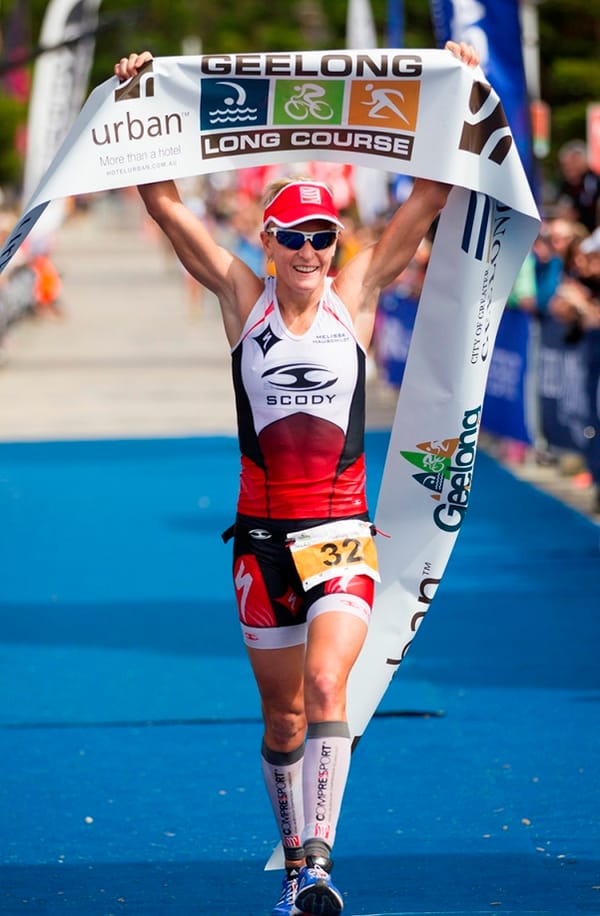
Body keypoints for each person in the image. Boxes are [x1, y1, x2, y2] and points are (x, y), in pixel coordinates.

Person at [115, 39, 480, 916]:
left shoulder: (356, 290)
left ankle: (318, 865)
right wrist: (136, 100)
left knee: (327, 688)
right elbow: (164, 203)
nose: (313, 248)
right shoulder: (244, 300)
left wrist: (459, 84)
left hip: (340, 537)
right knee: (281, 720)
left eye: (324, 234)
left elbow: (429, 195)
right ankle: (292, 867)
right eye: (296, 235)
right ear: (271, 241)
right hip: (259, 545)